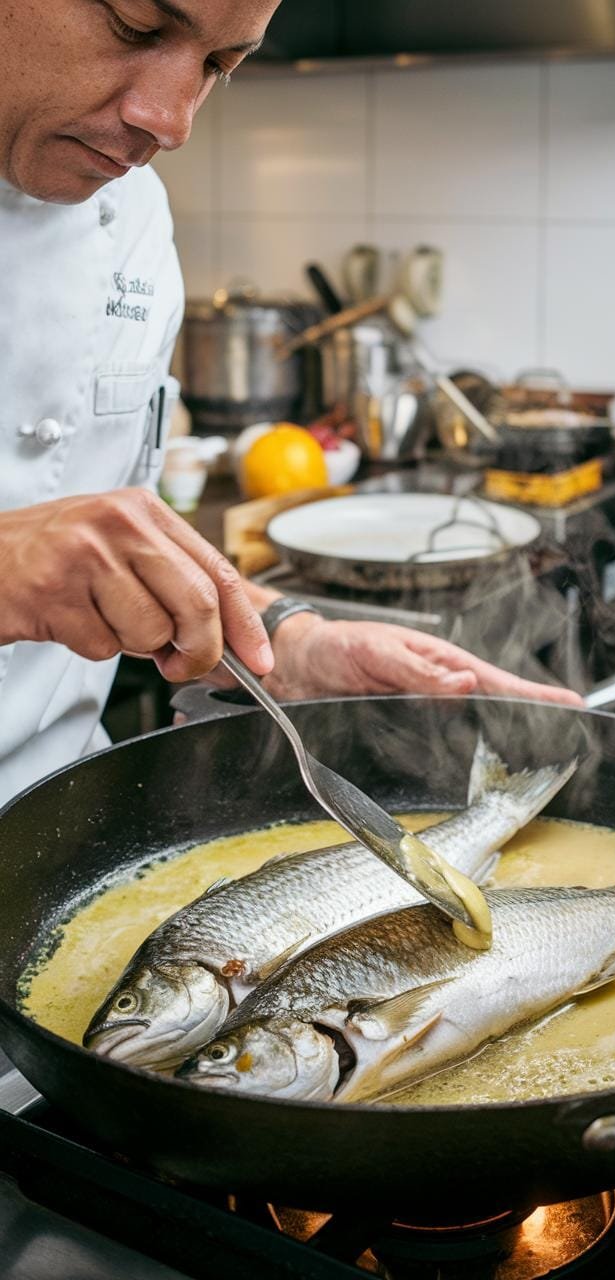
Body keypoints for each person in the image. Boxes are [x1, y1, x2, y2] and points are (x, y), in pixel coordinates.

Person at [0, 0, 580, 808]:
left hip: (51, 824)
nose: (169, 123)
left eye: (218, 67)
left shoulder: (133, 217)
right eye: (135, 28)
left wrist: (289, 641)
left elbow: (97, 563)